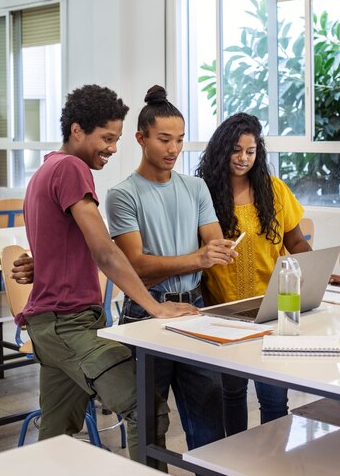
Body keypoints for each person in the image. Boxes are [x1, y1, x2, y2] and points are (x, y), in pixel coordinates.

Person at [13, 84, 197, 463]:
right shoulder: (72, 168)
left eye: (115, 138)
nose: (113, 148)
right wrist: (155, 306)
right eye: (107, 138)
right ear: (77, 130)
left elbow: (62, 242)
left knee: (55, 437)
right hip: (69, 326)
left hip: (52, 324)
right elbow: (105, 251)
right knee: (147, 408)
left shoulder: (45, 169)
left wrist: (42, 264)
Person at [196, 112, 340, 435]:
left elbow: (295, 241)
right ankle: (235, 459)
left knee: (273, 396)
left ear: (259, 153)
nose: (243, 158)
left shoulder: (274, 189)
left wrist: (321, 273)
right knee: (233, 392)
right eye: (235, 150)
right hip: (225, 311)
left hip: (277, 307)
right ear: (221, 149)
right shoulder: (203, 192)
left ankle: (272, 464)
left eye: (250, 152)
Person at [105, 85, 237, 450]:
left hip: (196, 307)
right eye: (164, 139)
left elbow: (214, 242)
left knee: (209, 424)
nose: (174, 149)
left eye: (179, 140)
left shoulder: (195, 188)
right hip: (146, 310)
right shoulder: (123, 195)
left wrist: (212, 253)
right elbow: (138, 269)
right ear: (140, 138)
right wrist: (196, 258)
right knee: (148, 425)